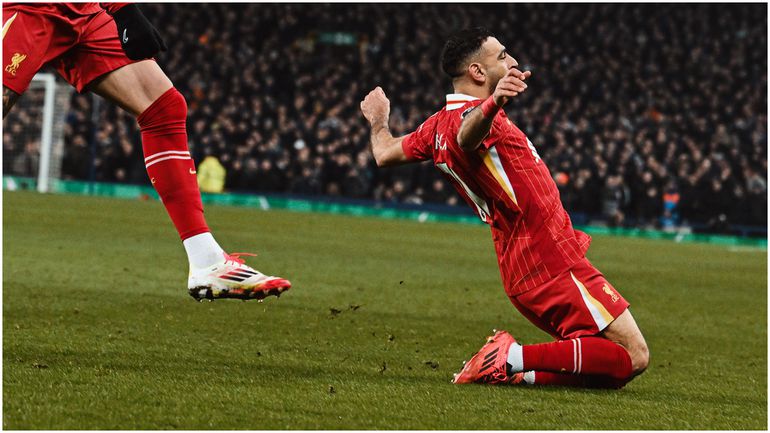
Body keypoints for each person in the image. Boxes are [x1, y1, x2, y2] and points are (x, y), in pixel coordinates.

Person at [360, 27, 648, 388]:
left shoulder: (435, 126)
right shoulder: (473, 119)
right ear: (478, 73)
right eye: (501, 56)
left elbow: (384, 152)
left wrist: (378, 119)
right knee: (633, 354)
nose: (511, 61)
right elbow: (466, 137)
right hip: (548, 258)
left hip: (526, 262)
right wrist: (494, 102)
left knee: (609, 365)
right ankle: (509, 357)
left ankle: (516, 374)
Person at [3, 3, 290, 301]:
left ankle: (207, 261)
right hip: (27, 9)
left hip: (80, 12)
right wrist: (123, 8)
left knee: (163, 109)